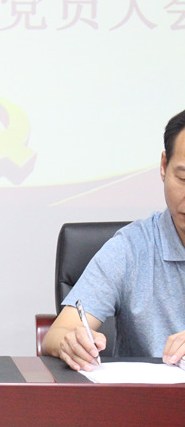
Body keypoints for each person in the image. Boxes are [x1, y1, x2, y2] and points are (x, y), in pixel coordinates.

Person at [42, 108, 185, 371]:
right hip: (148, 396)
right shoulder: (131, 248)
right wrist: (71, 342)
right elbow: (57, 333)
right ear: (164, 166)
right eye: (183, 178)